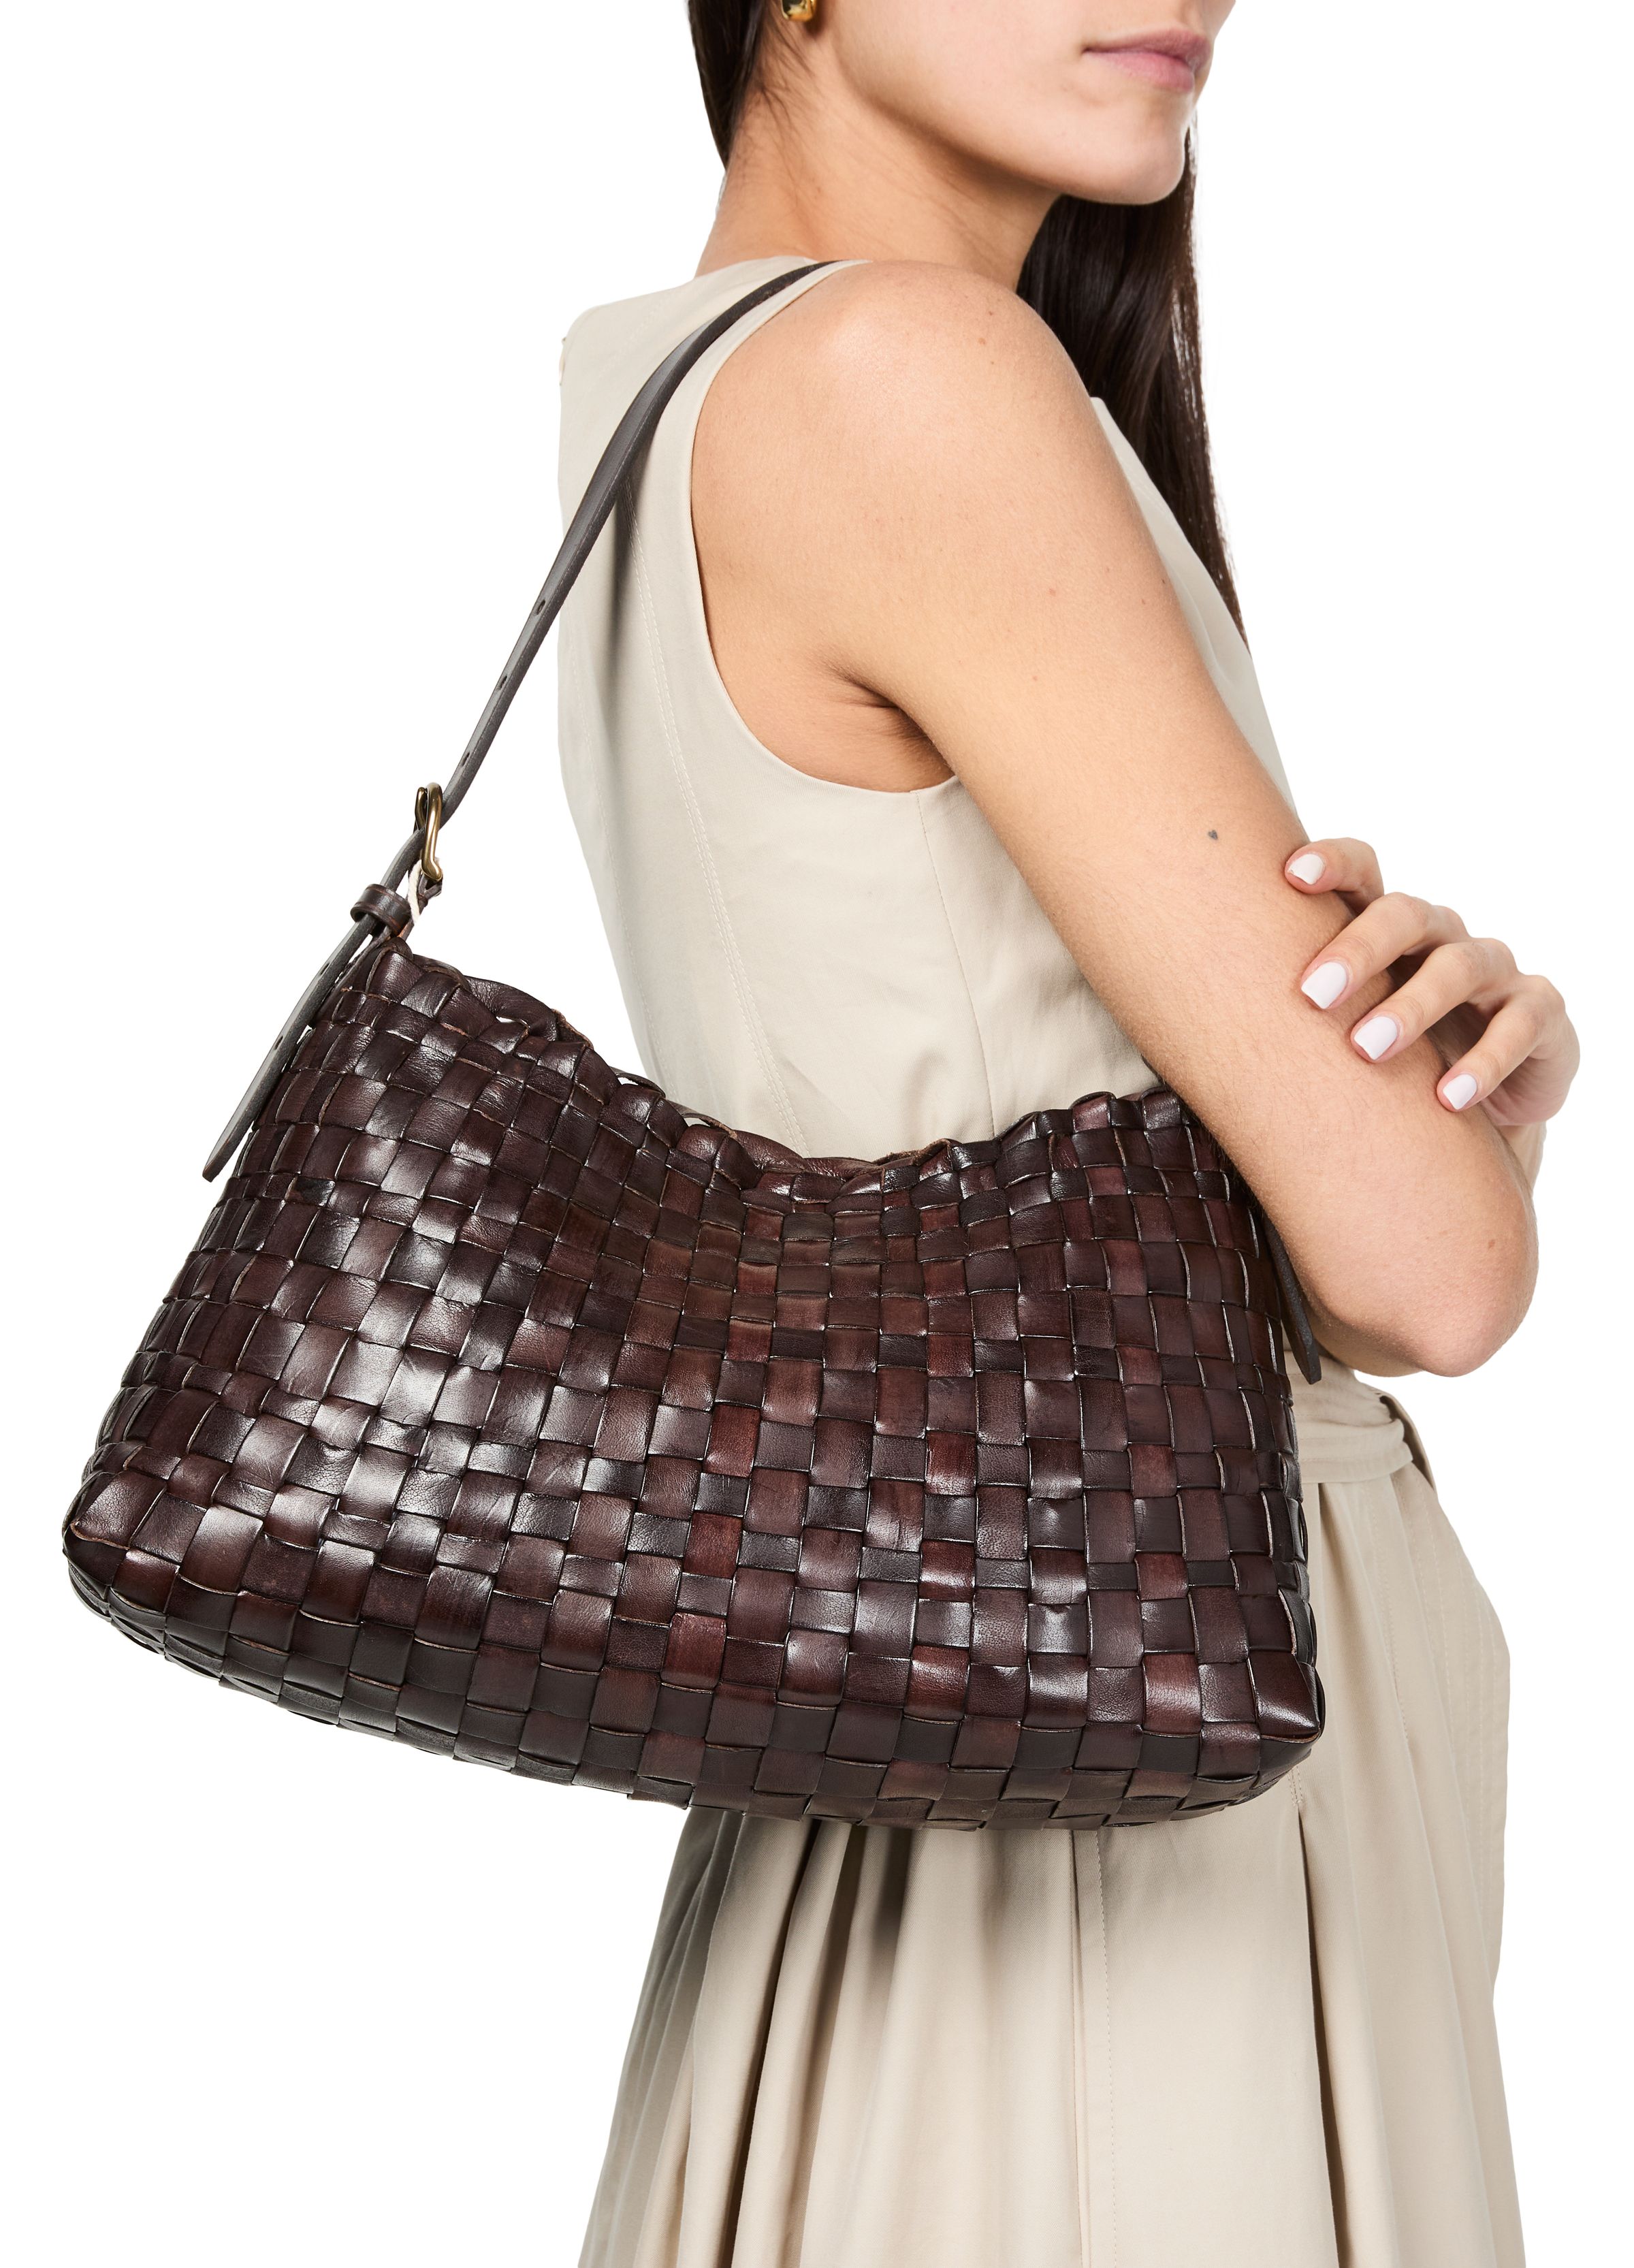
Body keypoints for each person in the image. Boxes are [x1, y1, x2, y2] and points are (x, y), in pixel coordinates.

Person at [554, 5, 1577, 2262]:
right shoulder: (909, 381)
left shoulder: (672, 382)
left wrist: (1442, 1099)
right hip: (1119, 1890)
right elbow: (1425, 1270)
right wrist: (1472, 1135)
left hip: (935, 1815)